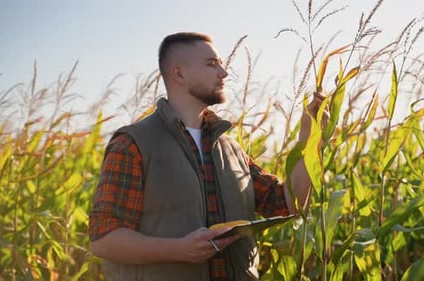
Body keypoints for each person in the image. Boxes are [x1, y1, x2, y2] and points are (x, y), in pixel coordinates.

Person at [88, 31, 327, 281]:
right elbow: (104, 240)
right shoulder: (133, 145)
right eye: (212, 64)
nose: (224, 72)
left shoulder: (231, 150)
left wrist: (310, 137)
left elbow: (289, 204)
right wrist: (180, 250)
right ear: (179, 73)